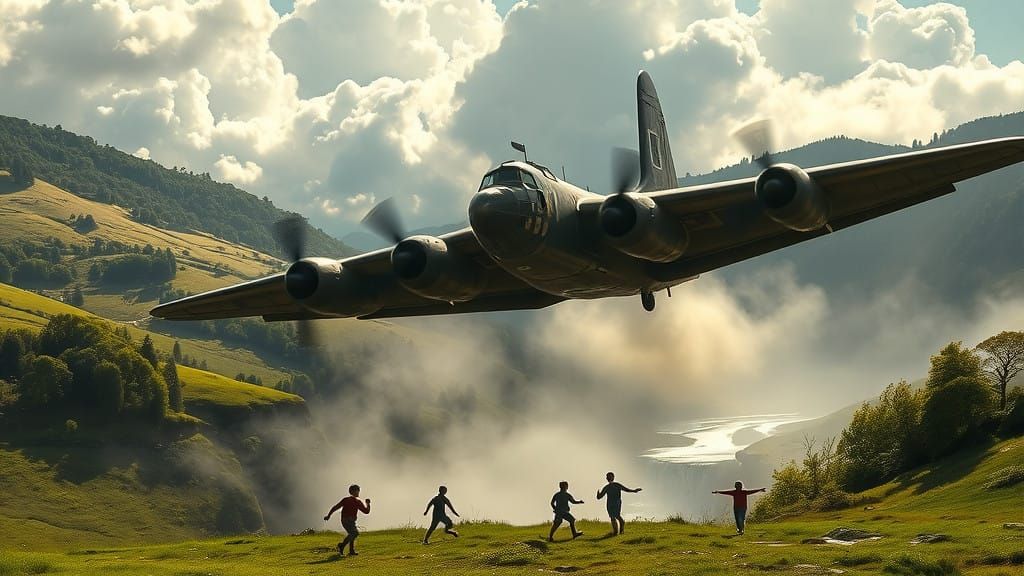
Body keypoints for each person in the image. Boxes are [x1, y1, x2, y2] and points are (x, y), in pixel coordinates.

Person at [324, 484, 371, 556]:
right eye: (357, 491)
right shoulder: (357, 501)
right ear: (353, 491)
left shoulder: (347, 500)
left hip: (346, 521)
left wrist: (329, 515)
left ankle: (351, 551)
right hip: (348, 521)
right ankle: (342, 546)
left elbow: (335, 507)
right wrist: (368, 504)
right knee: (354, 533)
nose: (358, 493)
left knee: (352, 534)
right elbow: (366, 511)